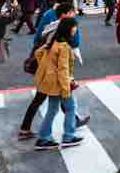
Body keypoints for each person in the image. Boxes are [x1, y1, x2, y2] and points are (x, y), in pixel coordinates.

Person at [31, 17, 83, 149]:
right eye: (74, 27)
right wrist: (66, 88)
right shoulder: (64, 46)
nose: (75, 29)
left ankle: (43, 138)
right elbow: (63, 70)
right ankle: (68, 136)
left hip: (50, 83)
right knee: (70, 107)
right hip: (60, 84)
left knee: (52, 109)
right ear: (69, 29)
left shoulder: (53, 42)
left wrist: (49, 68)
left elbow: (38, 53)